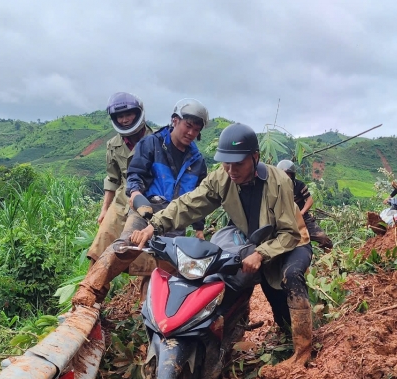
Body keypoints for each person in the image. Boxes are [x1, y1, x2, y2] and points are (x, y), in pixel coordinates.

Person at [128, 123, 315, 365]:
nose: (231, 169)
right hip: (255, 239)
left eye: (238, 163)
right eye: (226, 163)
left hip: (290, 241)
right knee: (224, 283)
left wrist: (261, 254)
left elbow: (288, 233)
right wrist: (155, 225)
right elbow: (189, 204)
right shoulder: (221, 178)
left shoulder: (278, 181)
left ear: (254, 157)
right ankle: (218, 352)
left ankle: (303, 353)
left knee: (288, 279)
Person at [72, 99, 210, 308]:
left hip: (175, 218)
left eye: (196, 129)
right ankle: (89, 291)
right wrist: (136, 194)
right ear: (175, 121)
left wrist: (199, 228)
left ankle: (150, 316)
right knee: (125, 245)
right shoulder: (151, 144)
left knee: (164, 269)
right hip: (146, 209)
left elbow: (197, 197)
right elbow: (135, 175)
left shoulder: (197, 160)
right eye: (188, 126)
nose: (191, 133)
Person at [86, 92, 155, 277]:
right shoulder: (113, 144)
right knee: (100, 244)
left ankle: (145, 303)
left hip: (148, 200)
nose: (124, 120)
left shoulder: (157, 140)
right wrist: (104, 209)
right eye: (120, 116)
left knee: (145, 257)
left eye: (128, 115)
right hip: (121, 200)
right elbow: (113, 179)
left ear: (138, 113)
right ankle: (89, 296)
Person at [277, 159, 333, 251]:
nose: (285, 176)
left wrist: (302, 212)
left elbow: (309, 200)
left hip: (302, 218)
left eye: (287, 173)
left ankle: (330, 254)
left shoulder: (299, 185)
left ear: (292, 174)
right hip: (284, 219)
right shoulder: (276, 187)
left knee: (322, 238)